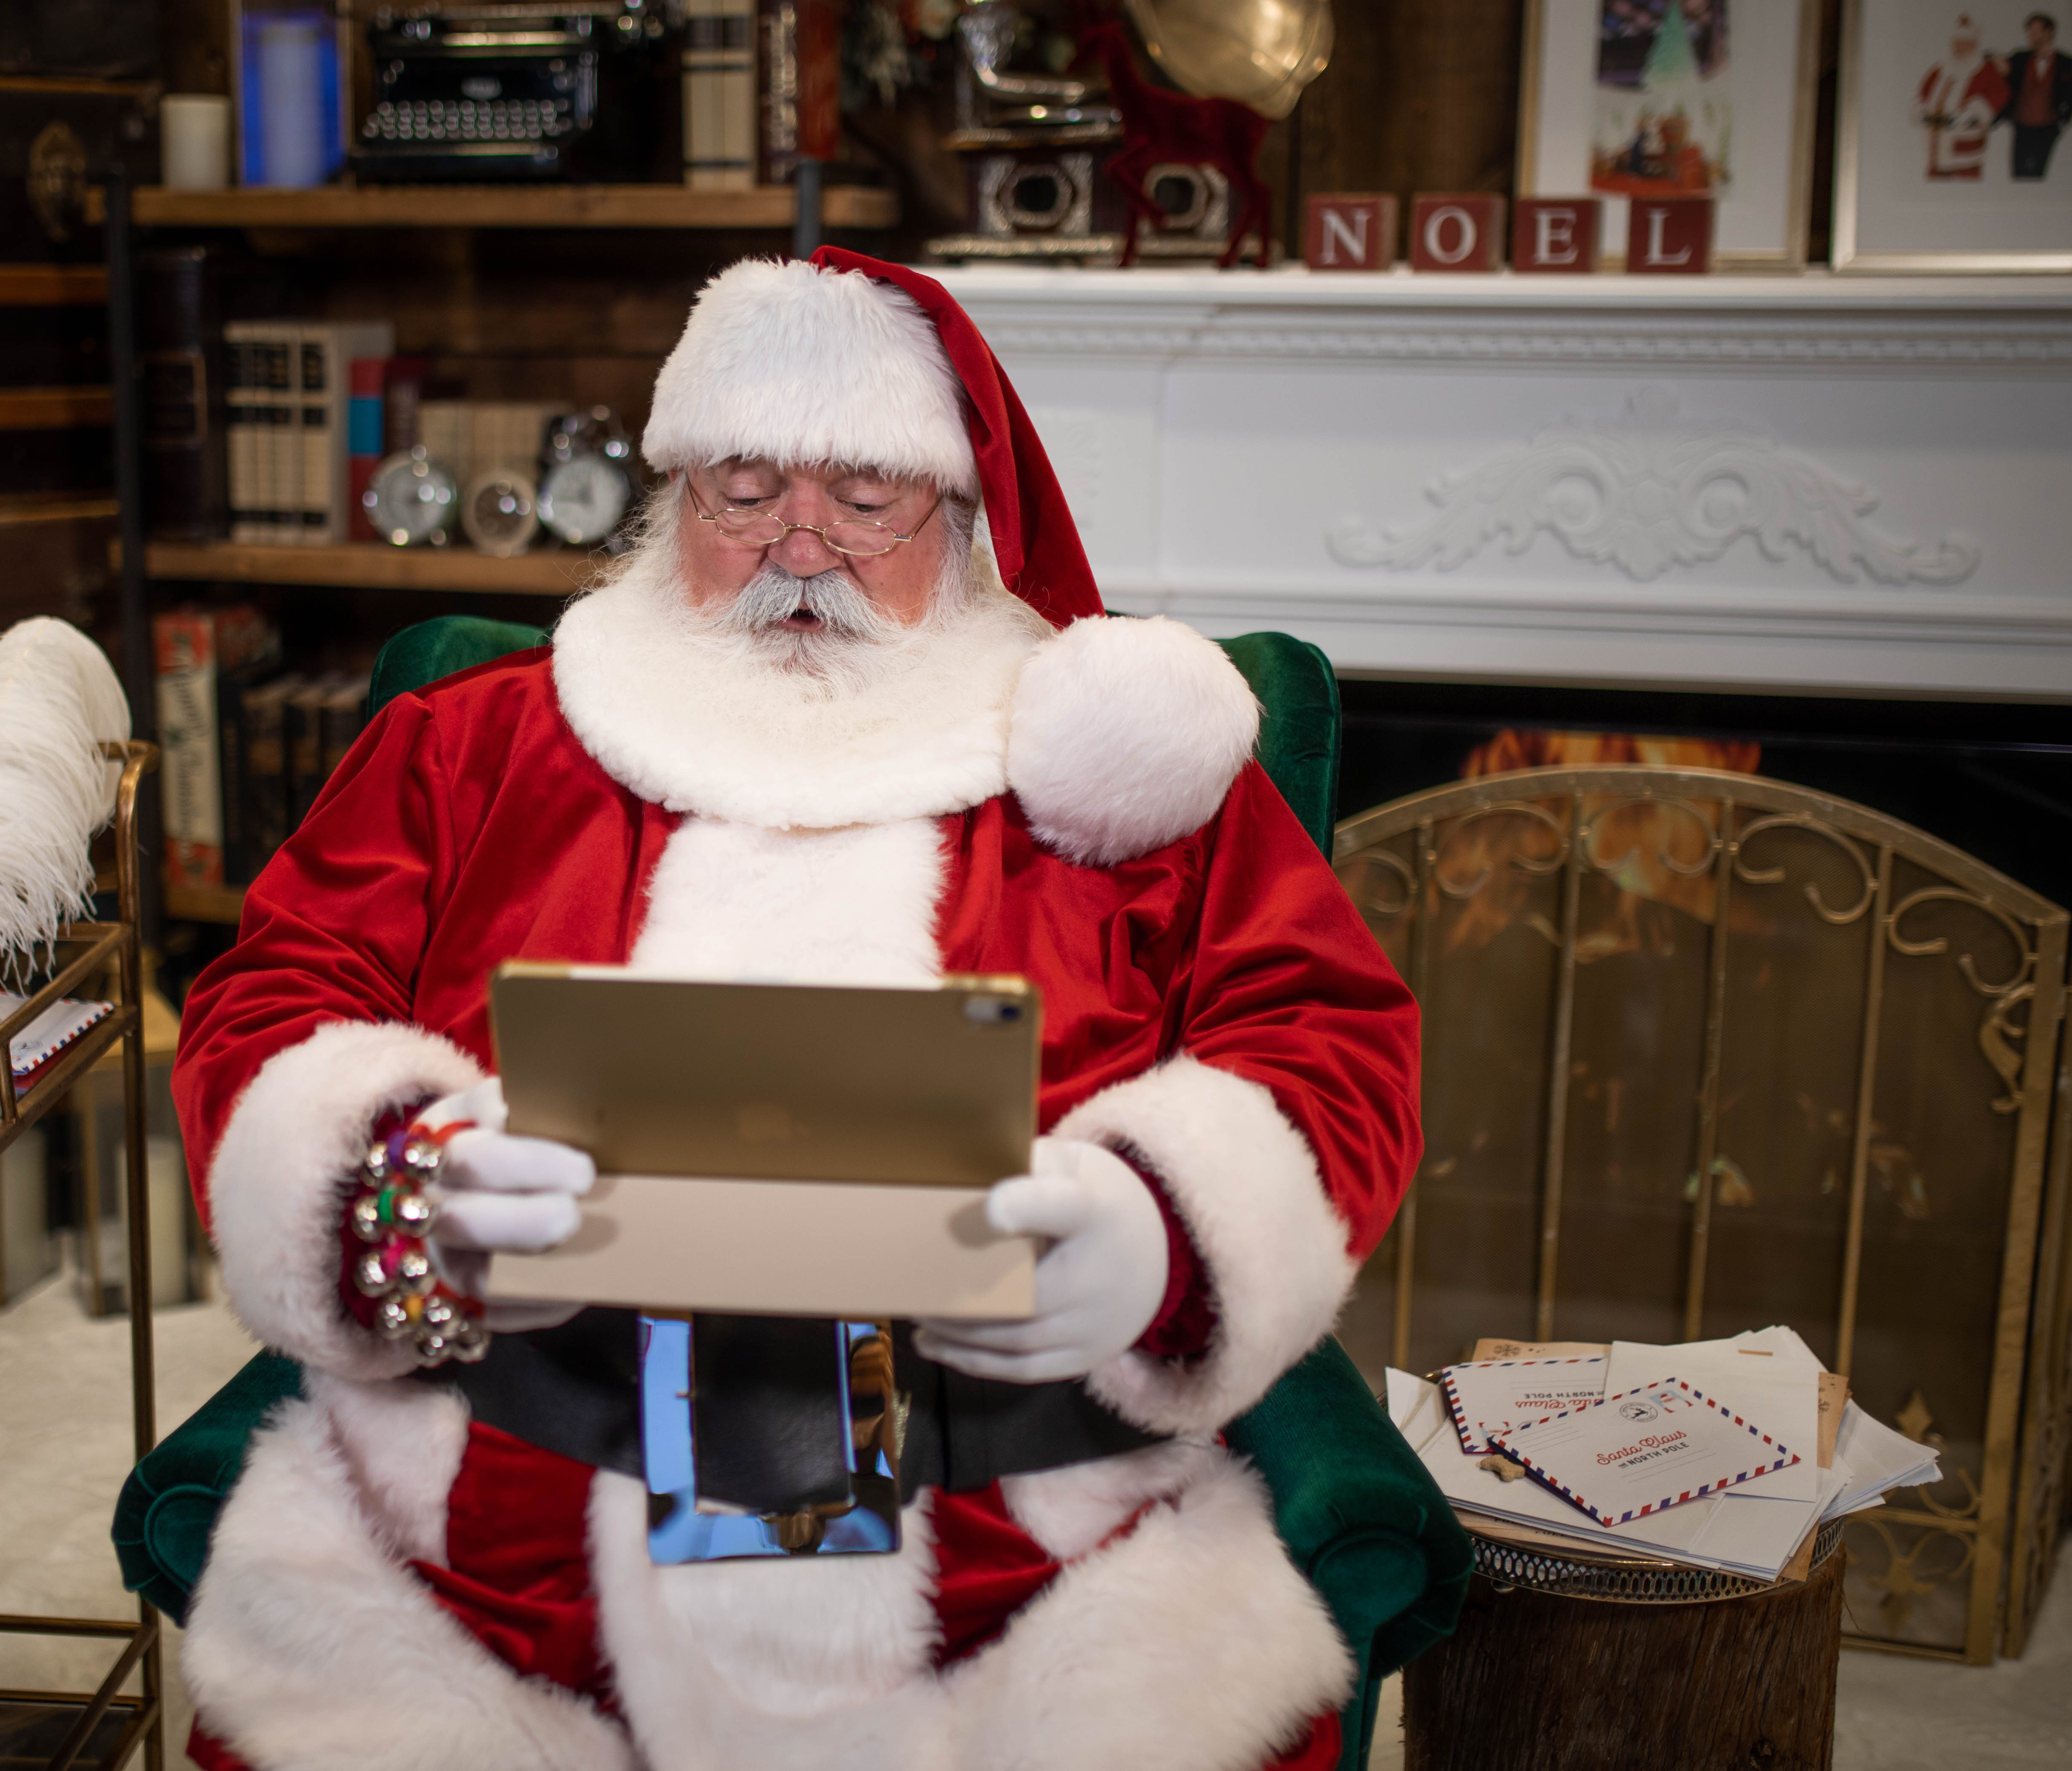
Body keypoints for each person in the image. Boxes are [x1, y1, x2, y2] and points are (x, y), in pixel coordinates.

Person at [167, 249, 1422, 1771]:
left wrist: (1161, 1238)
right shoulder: (471, 746)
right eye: (744, 488)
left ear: (959, 515)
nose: (801, 542)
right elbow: (273, 996)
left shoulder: (1114, 775)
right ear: (672, 504)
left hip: (1013, 1580)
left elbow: (1328, 1038)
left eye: (868, 493)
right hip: (496, 1572)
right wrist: (400, 1185)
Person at [1919, 13, 2011, 180]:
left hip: (1966, 152)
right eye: (1956, 43)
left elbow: (2001, 95)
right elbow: (1922, 96)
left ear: (1975, 45)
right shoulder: (1940, 68)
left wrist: (1974, 114)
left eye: (1965, 44)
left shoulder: (1986, 70)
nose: (1959, 48)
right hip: (1936, 148)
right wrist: (1922, 112)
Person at [1994, 11, 2072, 179]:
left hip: (2048, 129)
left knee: (2039, 174)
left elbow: (2071, 96)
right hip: (2022, 128)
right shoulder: (2021, 58)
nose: (2031, 36)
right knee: (2018, 174)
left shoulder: (2065, 62)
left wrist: (2062, 123)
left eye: (2036, 32)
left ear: (2049, 33)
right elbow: (2001, 65)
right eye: (2030, 32)